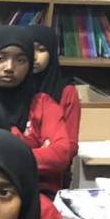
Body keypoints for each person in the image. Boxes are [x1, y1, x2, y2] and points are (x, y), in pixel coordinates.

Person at [0, 27, 75, 194]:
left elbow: (61, 154)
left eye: (20, 60)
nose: (9, 67)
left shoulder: (42, 103)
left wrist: (2, 156)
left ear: (29, 65)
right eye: (0, 58)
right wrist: (36, 150)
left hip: (35, 191)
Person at [27, 24, 81, 167]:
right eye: (29, 49)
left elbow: (70, 146)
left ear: (51, 52)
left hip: (52, 171)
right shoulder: (13, 87)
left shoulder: (66, 91)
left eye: (41, 50)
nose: (34, 56)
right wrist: (45, 148)